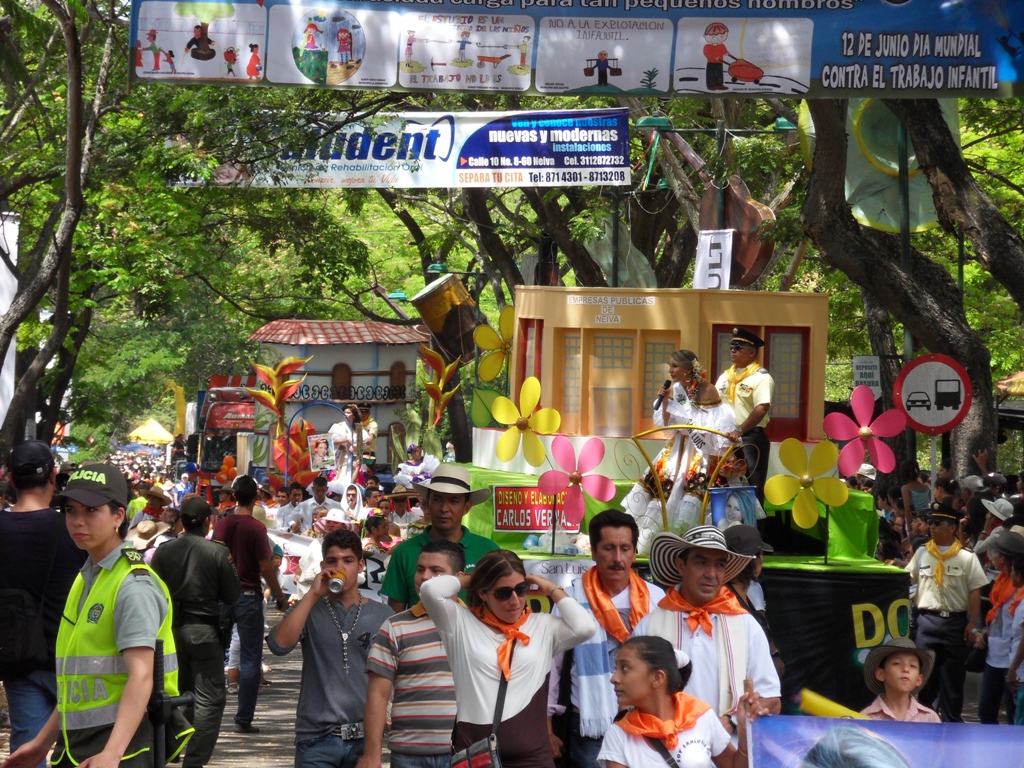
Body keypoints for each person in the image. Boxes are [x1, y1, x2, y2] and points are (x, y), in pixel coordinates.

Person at [3, 463, 193, 768]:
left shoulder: (133, 585)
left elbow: (142, 676)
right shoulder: (87, 577)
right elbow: (78, 685)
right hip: (76, 747)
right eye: (70, 510)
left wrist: (112, 753)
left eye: (91, 510)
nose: (78, 521)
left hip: (122, 751)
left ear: (118, 516)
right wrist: (41, 743)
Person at [419, 550, 596, 768]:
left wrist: (553, 589)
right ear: (483, 594)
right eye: (503, 593)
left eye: (521, 589)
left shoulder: (542, 625)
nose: (515, 600)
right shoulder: (460, 623)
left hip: (533, 758)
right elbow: (431, 590)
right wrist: (477, 579)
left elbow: (585, 627)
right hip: (477, 756)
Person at [546, 511, 665, 768]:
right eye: (609, 548)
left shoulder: (656, 599)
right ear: (593, 552)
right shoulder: (570, 600)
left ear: (635, 553)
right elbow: (551, 667)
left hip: (646, 722)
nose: (618, 558)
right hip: (588, 727)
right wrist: (547, 727)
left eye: (625, 549)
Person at [634, 527, 781, 734]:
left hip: (729, 750)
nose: (711, 574)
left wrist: (733, 721)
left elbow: (772, 700)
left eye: (719, 565)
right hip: (666, 748)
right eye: (701, 563)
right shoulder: (648, 628)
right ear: (680, 565)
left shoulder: (746, 626)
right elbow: (632, 697)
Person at [267, 529, 393, 768]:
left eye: (348, 561)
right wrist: (313, 594)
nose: (340, 567)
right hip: (316, 739)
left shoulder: (382, 614)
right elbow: (279, 645)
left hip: (365, 739)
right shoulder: (308, 607)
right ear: (323, 565)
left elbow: (394, 675)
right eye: (332, 561)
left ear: (361, 566)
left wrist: (375, 749)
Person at [0, 441, 87, 768]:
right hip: (74, 656)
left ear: (11, 478)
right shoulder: (74, 528)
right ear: (53, 476)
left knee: (29, 749)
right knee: (85, 747)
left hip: (18, 656)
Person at [151, 497, 241, 768]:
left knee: (175, 694)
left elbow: (152, 591)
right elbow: (233, 594)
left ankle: (168, 748)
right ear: (207, 523)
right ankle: (194, 761)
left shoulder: (163, 552)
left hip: (169, 633)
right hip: (204, 632)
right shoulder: (217, 552)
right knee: (209, 700)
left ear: (181, 522)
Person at [360, 541, 465, 768]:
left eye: (436, 571)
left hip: (464, 753)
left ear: (458, 579)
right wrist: (371, 755)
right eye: (420, 569)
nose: (424, 577)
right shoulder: (394, 626)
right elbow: (378, 696)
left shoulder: (476, 625)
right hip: (408, 754)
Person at [597, 637, 765, 768]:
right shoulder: (618, 735)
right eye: (617, 669)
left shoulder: (701, 717)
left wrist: (744, 733)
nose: (614, 678)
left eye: (625, 668)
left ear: (657, 678)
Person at [212, 475, 287, 733]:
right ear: (256, 498)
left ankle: (210, 712)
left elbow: (213, 559)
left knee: (215, 654)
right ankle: (243, 719)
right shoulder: (256, 528)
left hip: (223, 597)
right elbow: (265, 566)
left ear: (233, 496)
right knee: (250, 657)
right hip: (248, 596)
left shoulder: (221, 525)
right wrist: (279, 595)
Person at [905, 497, 987, 722]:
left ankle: (951, 724)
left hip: (954, 623)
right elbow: (908, 579)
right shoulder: (922, 553)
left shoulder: (966, 557)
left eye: (938, 523)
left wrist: (972, 624)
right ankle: (926, 722)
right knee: (925, 679)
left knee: (953, 680)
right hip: (927, 621)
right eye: (931, 522)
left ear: (952, 527)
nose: (932, 527)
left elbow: (974, 592)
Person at [638, 350, 735, 539]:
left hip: (700, 450)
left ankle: (696, 537)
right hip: (677, 448)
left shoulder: (709, 390)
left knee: (695, 488)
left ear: (689, 369)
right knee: (666, 488)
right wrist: (665, 401)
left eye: (674, 366)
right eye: (670, 366)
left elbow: (717, 424)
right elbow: (667, 425)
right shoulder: (675, 390)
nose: (670, 370)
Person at [381, 465, 499, 612]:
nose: (444, 508)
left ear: (467, 507)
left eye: (454, 501)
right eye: (437, 499)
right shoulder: (404, 552)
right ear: (427, 503)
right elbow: (395, 615)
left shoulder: (488, 551)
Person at [714, 328, 772, 504]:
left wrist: (740, 430)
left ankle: (753, 522)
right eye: (731, 347)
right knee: (723, 483)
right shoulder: (725, 377)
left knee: (751, 485)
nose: (733, 350)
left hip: (749, 437)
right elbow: (714, 404)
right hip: (725, 438)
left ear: (752, 352)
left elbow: (761, 408)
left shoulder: (761, 377)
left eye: (738, 347)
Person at [974, 528, 1024, 723]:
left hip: (1013, 662)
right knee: (985, 711)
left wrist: (1013, 668)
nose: (991, 557)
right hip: (993, 657)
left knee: (1013, 716)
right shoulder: (1000, 582)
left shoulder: (1019, 589)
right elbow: (998, 617)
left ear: (1003, 558)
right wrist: (985, 632)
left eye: (994, 553)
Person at [723, 525, 784, 679]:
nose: (761, 560)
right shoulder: (726, 600)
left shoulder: (749, 590)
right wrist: (773, 656)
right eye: (758, 555)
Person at [859, 637, 940, 722]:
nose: (906, 669)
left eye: (912, 665)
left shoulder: (930, 719)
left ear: (918, 680)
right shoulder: (865, 718)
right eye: (897, 663)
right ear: (881, 674)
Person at [330, 404, 362, 493]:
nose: (345, 414)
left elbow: (362, 443)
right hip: (342, 456)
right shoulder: (338, 426)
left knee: (353, 478)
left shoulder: (358, 428)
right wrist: (346, 440)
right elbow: (331, 441)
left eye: (348, 412)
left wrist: (355, 447)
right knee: (340, 479)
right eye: (344, 412)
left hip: (354, 457)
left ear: (354, 415)